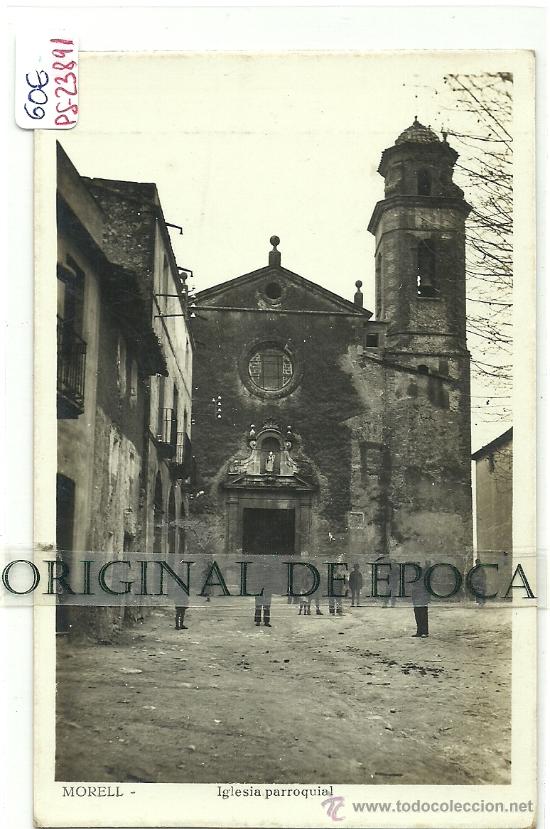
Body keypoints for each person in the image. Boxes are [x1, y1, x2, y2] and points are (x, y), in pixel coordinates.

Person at [411, 567, 430, 637]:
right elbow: (413, 591)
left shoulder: (424, 581)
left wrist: (427, 600)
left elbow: (428, 591)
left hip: (422, 601)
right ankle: (419, 631)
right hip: (416, 601)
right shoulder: (415, 581)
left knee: (423, 617)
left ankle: (425, 632)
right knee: (417, 617)